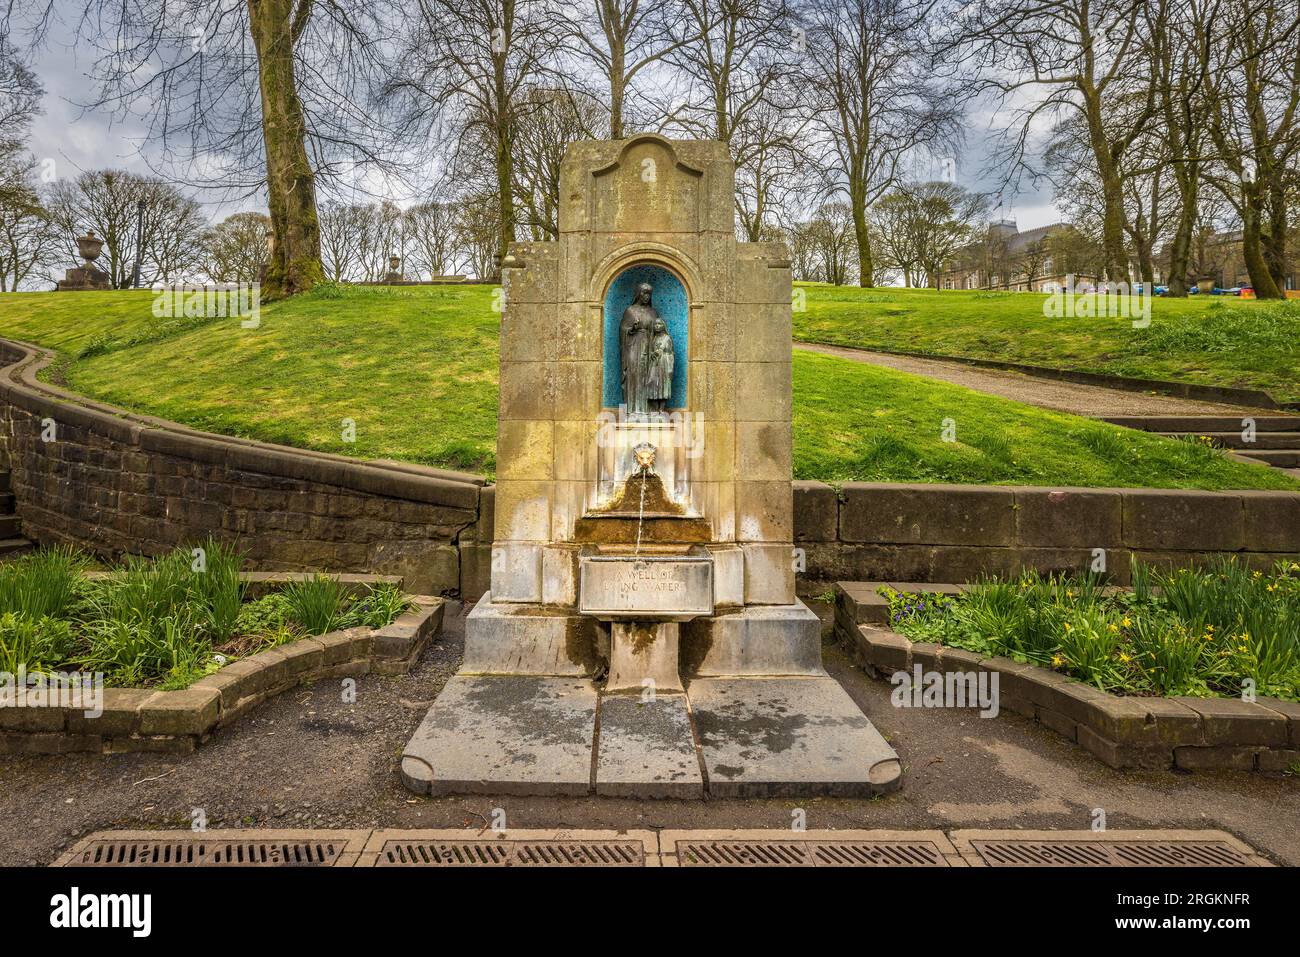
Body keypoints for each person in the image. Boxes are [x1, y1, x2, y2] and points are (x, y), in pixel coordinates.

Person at [645, 317, 674, 415]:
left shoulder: (667, 338)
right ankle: (655, 408)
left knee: (663, 386)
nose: (657, 326)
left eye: (659, 324)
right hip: (654, 365)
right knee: (653, 384)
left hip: (664, 365)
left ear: (663, 326)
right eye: (655, 324)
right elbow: (650, 351)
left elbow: (670, 353)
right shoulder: (654, 338)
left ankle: (661, 409)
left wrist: (662, 353)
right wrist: (652, 354)